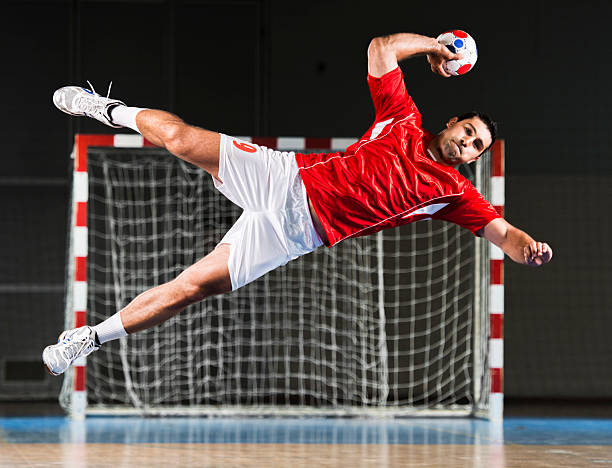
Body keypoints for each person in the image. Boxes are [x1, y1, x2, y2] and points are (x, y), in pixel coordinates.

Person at [43, 32, 552, 376]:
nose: (469, 143)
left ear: (474, 158)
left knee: (191, 289)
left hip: (292, 236)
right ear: (450, 125)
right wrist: (435, 45)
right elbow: (380, 48)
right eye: (467, 130)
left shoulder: (453, 193)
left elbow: (504, 234)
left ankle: (88, 338)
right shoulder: (402, 117)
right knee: (177, 138)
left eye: (478, 145)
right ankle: (106, 107)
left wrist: (529, 249)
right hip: (282, 179)